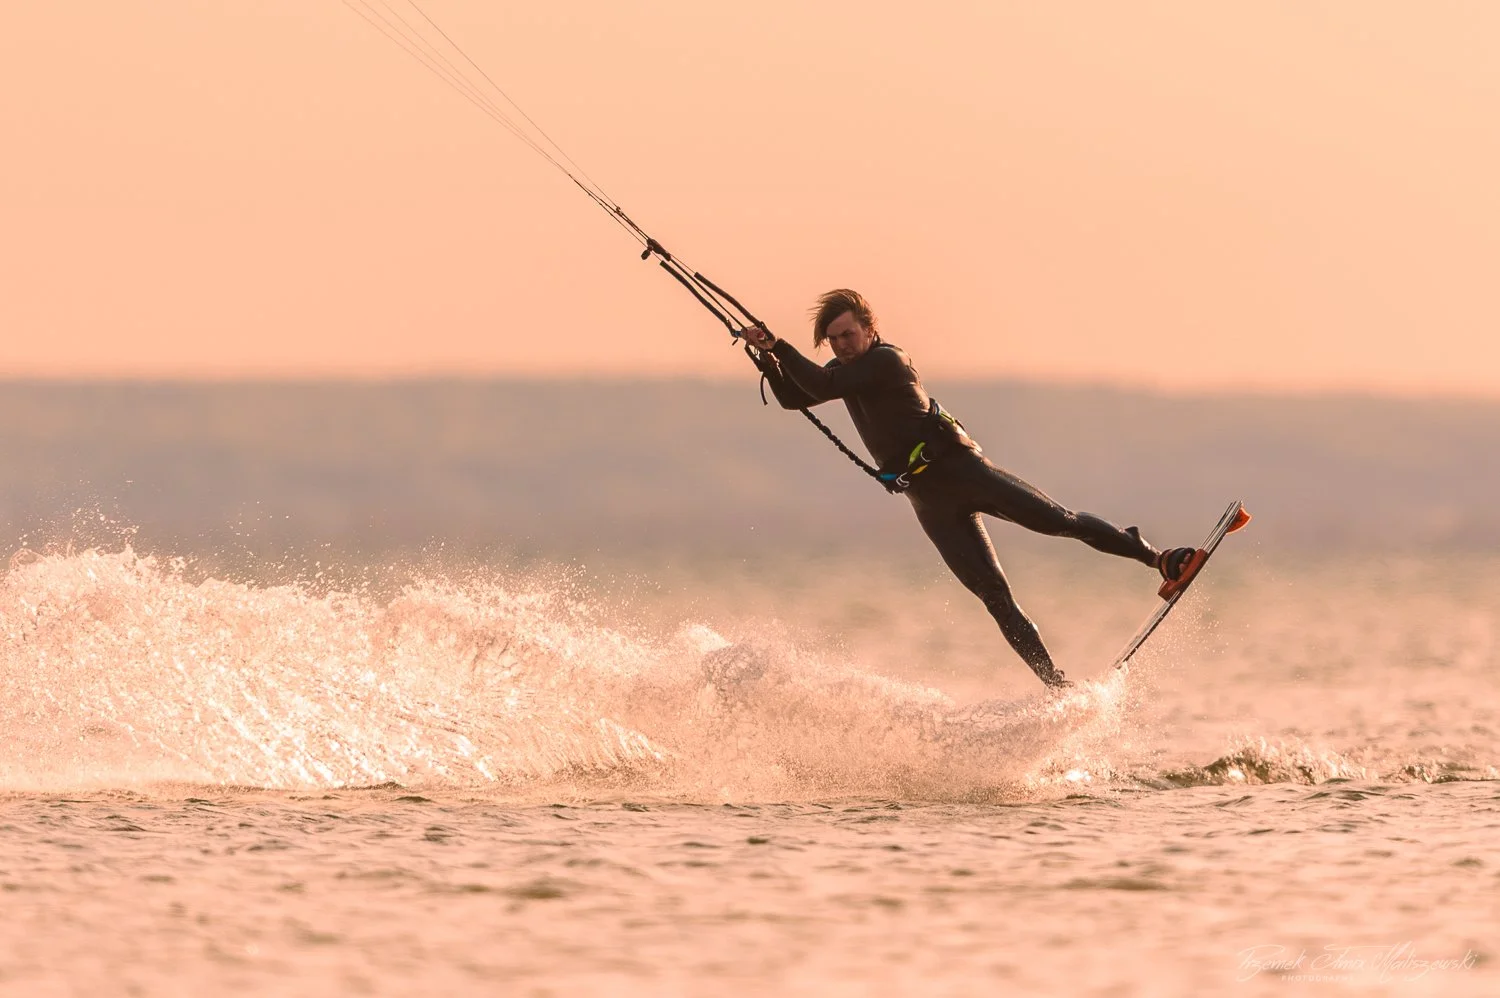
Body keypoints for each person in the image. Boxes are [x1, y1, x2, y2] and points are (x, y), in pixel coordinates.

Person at [740, 289, 1200, 690]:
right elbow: (797, 396)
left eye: (848, 335)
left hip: (964, 471)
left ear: (869, 329)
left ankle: (1158, 558)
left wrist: (777, 344)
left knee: (1062, 524)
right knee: (994, 596)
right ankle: (1057, 685)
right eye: (834, 339)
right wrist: (768, 360)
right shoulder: (844, 371)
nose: (841, 345)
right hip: (929, 500)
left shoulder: (886, 361)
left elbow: (820, 382)